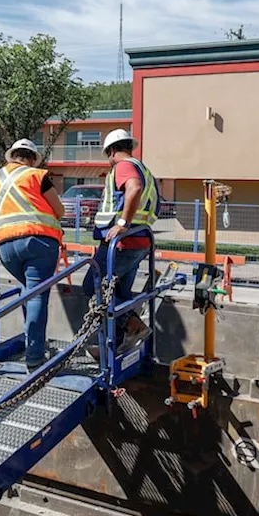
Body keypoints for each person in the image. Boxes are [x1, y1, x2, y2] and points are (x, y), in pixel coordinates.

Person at [83, 128, 160, 357]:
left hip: (120, 243)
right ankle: (112, 347)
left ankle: (134, 325)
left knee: (92, 286)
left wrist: (123, 222)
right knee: (119, 294)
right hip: (139, 242)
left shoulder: (123, 166)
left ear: (113, 151)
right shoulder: (144, 168)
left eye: (108, 155)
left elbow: (133, 188)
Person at [0, 138, 66, 370]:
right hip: (37, 242)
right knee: (37, 296)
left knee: (28, 292)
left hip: (5, 246)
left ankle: (30, 341)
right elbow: (59, 209)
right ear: (32, 158)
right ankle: (34, 356)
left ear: (12, 155)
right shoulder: (36, 175)